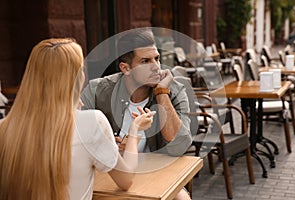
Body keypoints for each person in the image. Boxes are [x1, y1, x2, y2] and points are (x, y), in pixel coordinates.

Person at [0, 38, 155, 200]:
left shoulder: (4, 128)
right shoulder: (91, 123)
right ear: (75, 78)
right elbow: (126, 179)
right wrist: (134, 130)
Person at [81, 28, 192, 199]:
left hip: (157, 174)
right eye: (145, 61)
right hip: (111, 175)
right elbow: (77, 137)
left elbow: (180, 146)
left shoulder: (173, 90)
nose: (156, 67)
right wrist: (110, 148)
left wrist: (161, 93)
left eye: (157, 58)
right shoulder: (97, 90)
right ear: (126, 68)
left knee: (181, 198)